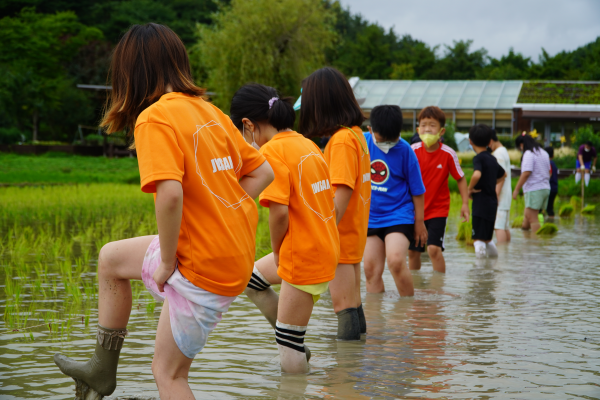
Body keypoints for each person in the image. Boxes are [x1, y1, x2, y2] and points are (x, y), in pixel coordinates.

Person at [53, 24, 274, 399]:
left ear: (130, 73)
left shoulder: (153, 118)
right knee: (110, 258)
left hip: (200, 263)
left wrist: (168, 261)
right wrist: (225, 207)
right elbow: (263, 170)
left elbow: (169, 195)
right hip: (232, 253)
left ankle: (105, 373)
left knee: (168, 374)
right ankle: (101, 369)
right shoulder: (211, 111)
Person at [230, 84, 340, 373]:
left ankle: (291, 349)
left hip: (301, 253)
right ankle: (291, 334)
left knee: (287, 353)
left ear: (248, 125)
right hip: (322, 246)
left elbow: (278, 215)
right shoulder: (307, 144)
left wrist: (278, 252)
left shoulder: (271, 152)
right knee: (251, 279)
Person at [299, 67, 371, 340]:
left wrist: (321, 234)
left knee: (343, 307)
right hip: (353, 236)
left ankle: (345, 373)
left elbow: (339, 197)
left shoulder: (340, 142)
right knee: (354, 302)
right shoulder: (355, 135)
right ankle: (356, 363)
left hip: (339, 238)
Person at [363, 105, 427, 296]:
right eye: (383, 139)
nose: (388, 144)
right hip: (370, 216)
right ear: (370, 130)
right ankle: (375, 321)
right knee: (370, 269)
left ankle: (408, 313)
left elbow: (417, 191)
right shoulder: (362, 143)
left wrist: (419, 222)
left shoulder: (406, 151)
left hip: (399, 214)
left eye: (393, 139)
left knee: (396, 261)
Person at [409, 106, 469, 273]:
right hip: (414, 210)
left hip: (438, 209)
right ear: (417, 129)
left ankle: (439, 291)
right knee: (413, 251)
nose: (427, 129)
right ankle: (416, 289)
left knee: (433, 250)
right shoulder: (411, 151)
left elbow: (461, 178)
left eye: (432, 125)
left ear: (441, 131)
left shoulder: (448, 154)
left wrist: (465, 204)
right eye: (424, 125)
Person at [467, 125, 506, 258]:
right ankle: (493, 266)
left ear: (470, 141)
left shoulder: (478, 158)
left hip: (480, 203)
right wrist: (490, 182)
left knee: (478, 239)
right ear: (490, 141)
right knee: (488, 239)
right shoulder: (492, 158)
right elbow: (503, 175)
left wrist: (470, 188)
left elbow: (477, 174)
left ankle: (480, 272)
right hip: (492, 203)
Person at [512, 134, 551, 233]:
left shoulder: (529, 153)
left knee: (532, 218)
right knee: (527, 215)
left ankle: (536, 244)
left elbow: (526, 173)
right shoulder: (544, 153)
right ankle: (526, 238)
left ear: (522, 145)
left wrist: (516, 190)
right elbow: (549, 171)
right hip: (545, 188)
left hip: (534, 189)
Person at [489, 130, 512, 242]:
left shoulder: (498, 154)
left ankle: (502, 255)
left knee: (498, 227)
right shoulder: (504, 150)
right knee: (505, 227)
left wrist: (495, 194)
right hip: (506, 196)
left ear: (491, 141)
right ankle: (506, 253)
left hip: (501, 196)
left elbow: (501, 175)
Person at [545, 146, 559, 217]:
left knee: (547, 208)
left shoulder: (548, 163)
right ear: (553, 155)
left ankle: (549, 223)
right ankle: (550, 221)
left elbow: (549, 175)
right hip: (554, 187)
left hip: (549, 187)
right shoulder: (553, 163)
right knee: (550, 208)